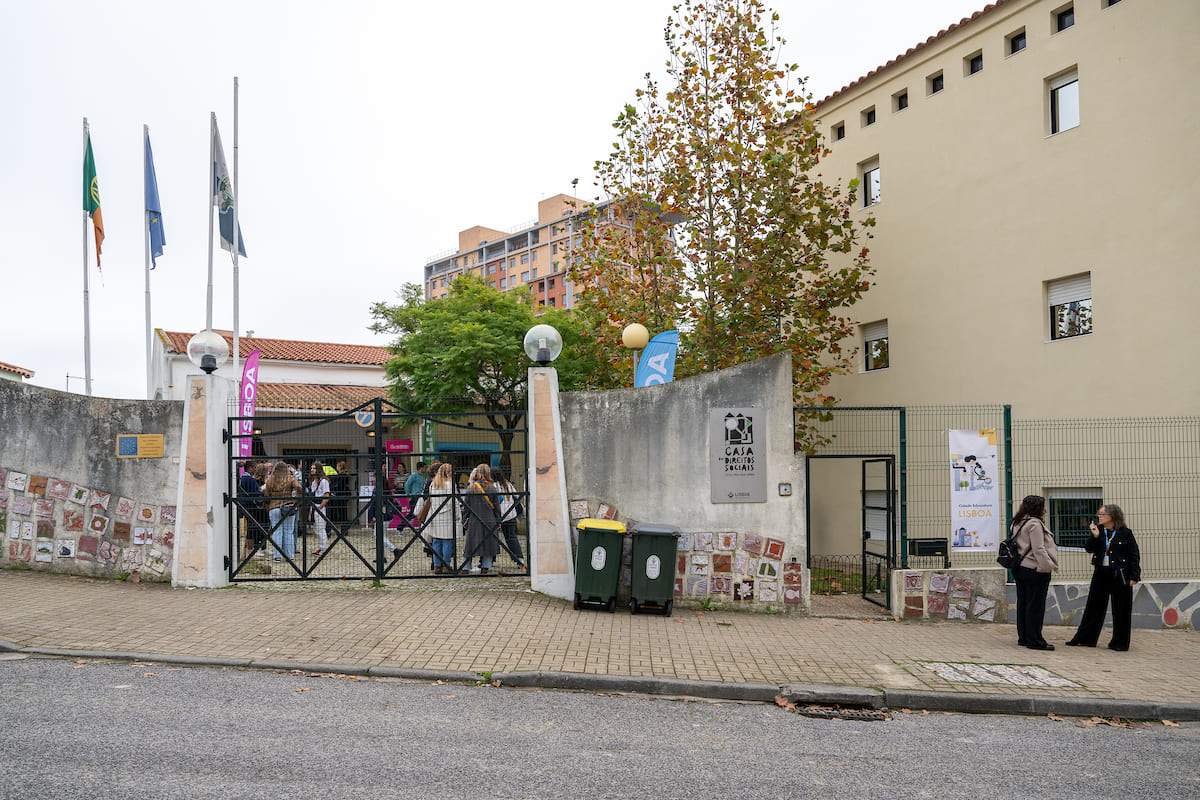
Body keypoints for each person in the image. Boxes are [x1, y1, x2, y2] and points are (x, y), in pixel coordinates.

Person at [1067, 504, 1141, 651]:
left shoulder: (1125, 533)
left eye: (1102, 514)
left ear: (1112, 516)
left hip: (1120, 574)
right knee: (1094, 606)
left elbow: (1134, 555)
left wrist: (1134, 576)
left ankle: (1119, 643)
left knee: (1121, 609)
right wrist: (1095, 536)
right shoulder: (1099, 531)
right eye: (1099, 514)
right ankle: (1085, 639)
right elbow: (1089, 548)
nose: (1099, 517)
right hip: (1101, 573)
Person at [1010, 495, 1058, 651]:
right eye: (1043, 506)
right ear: (1037, 507)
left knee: (1024, 603)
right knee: (1035, 606)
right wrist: (1048, 566)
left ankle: (1023, 637)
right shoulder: (1034, 524)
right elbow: (1038, 549)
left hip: (1019, 568)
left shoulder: (1017, 522)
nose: (1045, 508)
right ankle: (1035, 640)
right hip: (1034, 569)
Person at [460, 463, 500, 574]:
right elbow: (496, 506)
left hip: (474, 519)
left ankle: (466, 566)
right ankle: (485, 566)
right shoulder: (492, 488)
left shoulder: (470, 488)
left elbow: (466, 507)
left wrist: (465, 520)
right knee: (488, 543)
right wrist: (498, 520)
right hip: (490, 519)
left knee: (470, 544)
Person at [416, 462, 456, 573]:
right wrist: (457, 516)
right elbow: (453, 503)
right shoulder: (450, 484)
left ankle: (437, 565)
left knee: (437, 541)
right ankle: (446, 565)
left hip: (435, 515)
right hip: (447, 515)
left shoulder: (433, 484)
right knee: (447, 541)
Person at [264, 461, 301, 562]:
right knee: (289, 532)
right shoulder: (290, 478)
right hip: (288, 506)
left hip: (274, 507)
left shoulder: (270, 480)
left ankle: (277, 556)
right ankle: (290, 555)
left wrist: (268, 507)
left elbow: (266, 496)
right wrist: (295, 503)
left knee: (277, 532)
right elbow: (299, 488)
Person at [492, 467, 525, 570]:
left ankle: (490, 560)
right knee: (511, 538)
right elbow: (516, 497)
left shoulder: (492, 486)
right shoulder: (508, 484)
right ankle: (519, 559)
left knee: (492, 538)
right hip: (510, 515)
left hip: (497, 516)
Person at [237, 461, 263, 561]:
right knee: (251, 529)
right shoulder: (250, 480)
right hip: (250, 506)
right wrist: (260, 491)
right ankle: (250, 552)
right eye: (254, 468)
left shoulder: (241, 479)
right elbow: (254, 494)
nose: (255, 470)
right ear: (250, 468)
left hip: (243, 506)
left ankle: (245, 552)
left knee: (249, 529)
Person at [308, 461, 332, 556]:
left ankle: (324, 548)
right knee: (316, 528)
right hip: (314, 506)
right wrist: (310, 512)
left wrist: (320, 507)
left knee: (321, 528)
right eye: (311, 468)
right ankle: (320, 546)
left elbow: (326, 495)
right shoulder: (314, 482)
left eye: (314, 468)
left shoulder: (324, 481)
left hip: (319, 506)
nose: (312, 470)